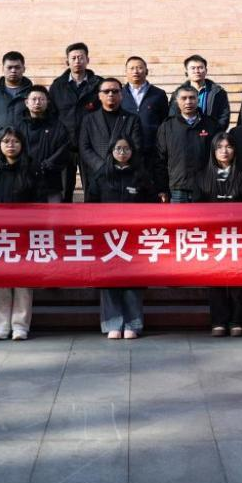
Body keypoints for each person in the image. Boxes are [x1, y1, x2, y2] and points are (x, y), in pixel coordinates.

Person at [0, 128, 39, 341]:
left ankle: (20, 325)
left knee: (23, 281)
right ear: (0, 145)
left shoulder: (31, 168)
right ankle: (1, 325)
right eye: (6, 141)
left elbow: (40, 200)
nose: (10, 145)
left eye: (15, 141)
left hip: (24, 233)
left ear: (22, 144)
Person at [87, 136, 152, 339]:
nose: (122, 153)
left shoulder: (141, 176)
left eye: (126, 149)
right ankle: (112, 323)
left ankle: (133, 323)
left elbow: (151, 205)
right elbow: (91, 203)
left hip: (134, 237)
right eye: (118, 149)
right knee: (109, 280)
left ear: (132, 151)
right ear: (111, 151)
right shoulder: (101, 175)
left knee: (133, 280)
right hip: (108, 237)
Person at [195, 132, 242, 337]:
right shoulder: (202, 177)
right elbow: (196, 207)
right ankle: (218, 321)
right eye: (220, 147)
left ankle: (236, 320)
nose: (224, 151)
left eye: (228, 146)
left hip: (239, 236)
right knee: (215, 279)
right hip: (213, 237)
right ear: (213, 151)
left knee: (238, 279)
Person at [49, 42, 101, 200]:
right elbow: (52, 115)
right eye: (73, 58)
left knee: (93, 190)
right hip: (66, 145)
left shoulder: (99, 84)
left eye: (81, 57)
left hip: (91, 145)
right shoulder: (57, 86)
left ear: (87, 60)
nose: (77, 61)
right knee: (64, 191)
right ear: (67, 61)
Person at [156, 85, 220, 203]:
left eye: (192, 98)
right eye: (184, 98)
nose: (188, 102)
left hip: (206, 188)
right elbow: (160, 159)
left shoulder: (211, 124)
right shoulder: (167, 126)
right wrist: (162, 188)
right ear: (177, 101)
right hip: (178, 188)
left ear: (198, 100)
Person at [79, 77, 143, 188]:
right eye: (106, 91)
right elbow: (84, 147)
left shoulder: (132, 119)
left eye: (115, 91)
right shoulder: (89, 119)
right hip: (97, 175)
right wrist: (101, 166)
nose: (110, 94)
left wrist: (119, 166)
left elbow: (136, 145)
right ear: (99, 95)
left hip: (124, 175)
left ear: (121, 95)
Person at [16, 85, 72, 203]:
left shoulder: (58, 126)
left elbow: (64, 149)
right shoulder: (18, 126)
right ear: (26, 102)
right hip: (24, 181)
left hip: (51, 182)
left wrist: (47, 165)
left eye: (41, 99)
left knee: (54, 214)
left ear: (47, 102)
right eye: (34, 99)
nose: (37, 102)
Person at [120, 56, 168, 165]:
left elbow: (165, 121)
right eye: (132, 68)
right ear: (125, 72)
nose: (135, 71)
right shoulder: (119, 94)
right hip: (126, 150)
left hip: (153, 150)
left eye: (139, 68)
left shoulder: (158, 94)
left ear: (146, 71)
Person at [0, 51, 33, 143]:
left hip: (26, 144)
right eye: (9, 67)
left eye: (17, 67)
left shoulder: (33, 93)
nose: (13, 70)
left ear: (24, 69)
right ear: (3, 69)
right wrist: (1, 134)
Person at [169, 54, 230, 127]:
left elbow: (224, 116)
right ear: (186, 72)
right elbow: (173, 116)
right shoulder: (177, 93)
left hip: (211, 132)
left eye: (200, 68)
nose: (197, 71)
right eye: (193, 68)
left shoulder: (218, 92)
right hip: (185, 132)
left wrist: (215, 131)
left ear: (206, 71)